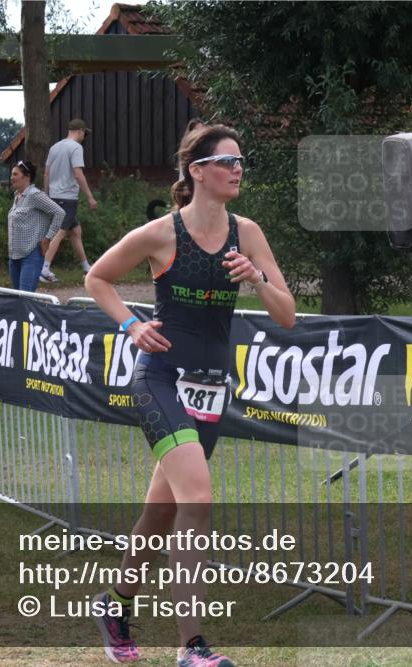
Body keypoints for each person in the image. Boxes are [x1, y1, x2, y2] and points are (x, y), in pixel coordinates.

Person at [85, 121, 295, 666]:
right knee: (198, 498)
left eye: (241, 161)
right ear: (197, 172)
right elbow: (97, 278)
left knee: (161, 514)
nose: (237, 170)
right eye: (228, 161)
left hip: (209, 390)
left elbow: (288, 314)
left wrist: (257, 279)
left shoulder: (246, 233)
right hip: (159, 379)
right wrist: (131, 326)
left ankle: (115, 604)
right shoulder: (161, 233)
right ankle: (192, 648)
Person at [40, 118, 98, 283]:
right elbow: (78, 173)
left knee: (75, 231)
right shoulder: (76, 148)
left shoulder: (55, 147)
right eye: (84, 134)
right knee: (60, 232)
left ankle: (87, 268)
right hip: (68, 197)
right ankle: (44, 269)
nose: (84, 137)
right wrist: (89, 196)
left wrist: (47, 195)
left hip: (55, 196)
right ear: (79, 131)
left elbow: (46, 173)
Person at [7, 160, 65, 292]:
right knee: (18, 299)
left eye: (15, 174)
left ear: (26, 176)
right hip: (14, 257)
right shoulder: (17, 196)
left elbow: (59, 213)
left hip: (31, 255)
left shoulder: (35, 195)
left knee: (26, 298)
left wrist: (48, 239)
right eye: (11, 174)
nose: (12, 178)